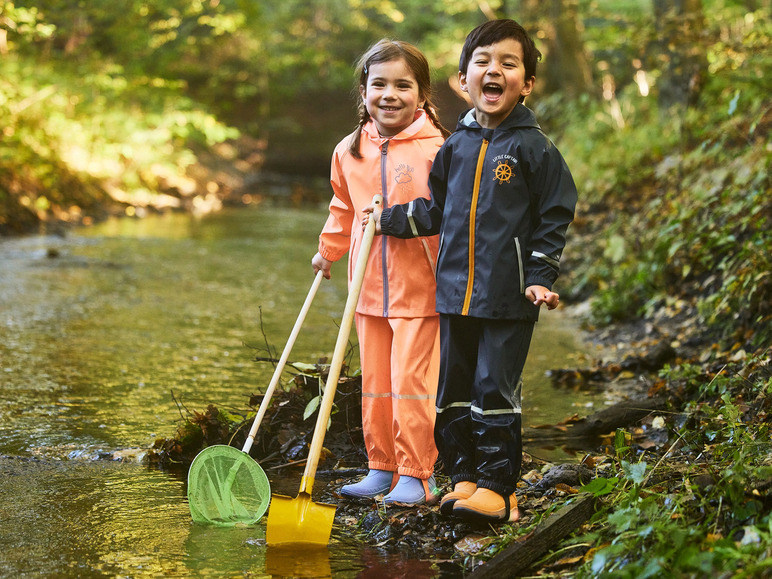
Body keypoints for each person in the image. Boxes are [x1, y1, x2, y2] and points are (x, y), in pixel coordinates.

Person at [365, 19, 578, 523]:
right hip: (454, 293)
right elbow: (436, 211)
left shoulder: (534, 148)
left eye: (508, 63)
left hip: (509, 296)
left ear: (525, 84)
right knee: (454, 390)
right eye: (482, 62)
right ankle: (462, 479)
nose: (493, 71)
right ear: (463, 80)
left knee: (493, 389)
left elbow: (556, 212)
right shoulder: (455, 147)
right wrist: (388, 220)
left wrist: (541, 275)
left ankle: (500, 492)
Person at [312, 39, 451, 506]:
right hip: (366, 287)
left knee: (412, 384)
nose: (389, 95)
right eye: (379, 84)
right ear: (364, 91)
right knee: (376, 382)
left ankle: (417, 473)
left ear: (422, 93)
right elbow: (342, 207)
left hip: (421, 287)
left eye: (402, 85)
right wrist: (328, 251)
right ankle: (381, 466)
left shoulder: (439, 149)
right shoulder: (350, 150)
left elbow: (449, 213)